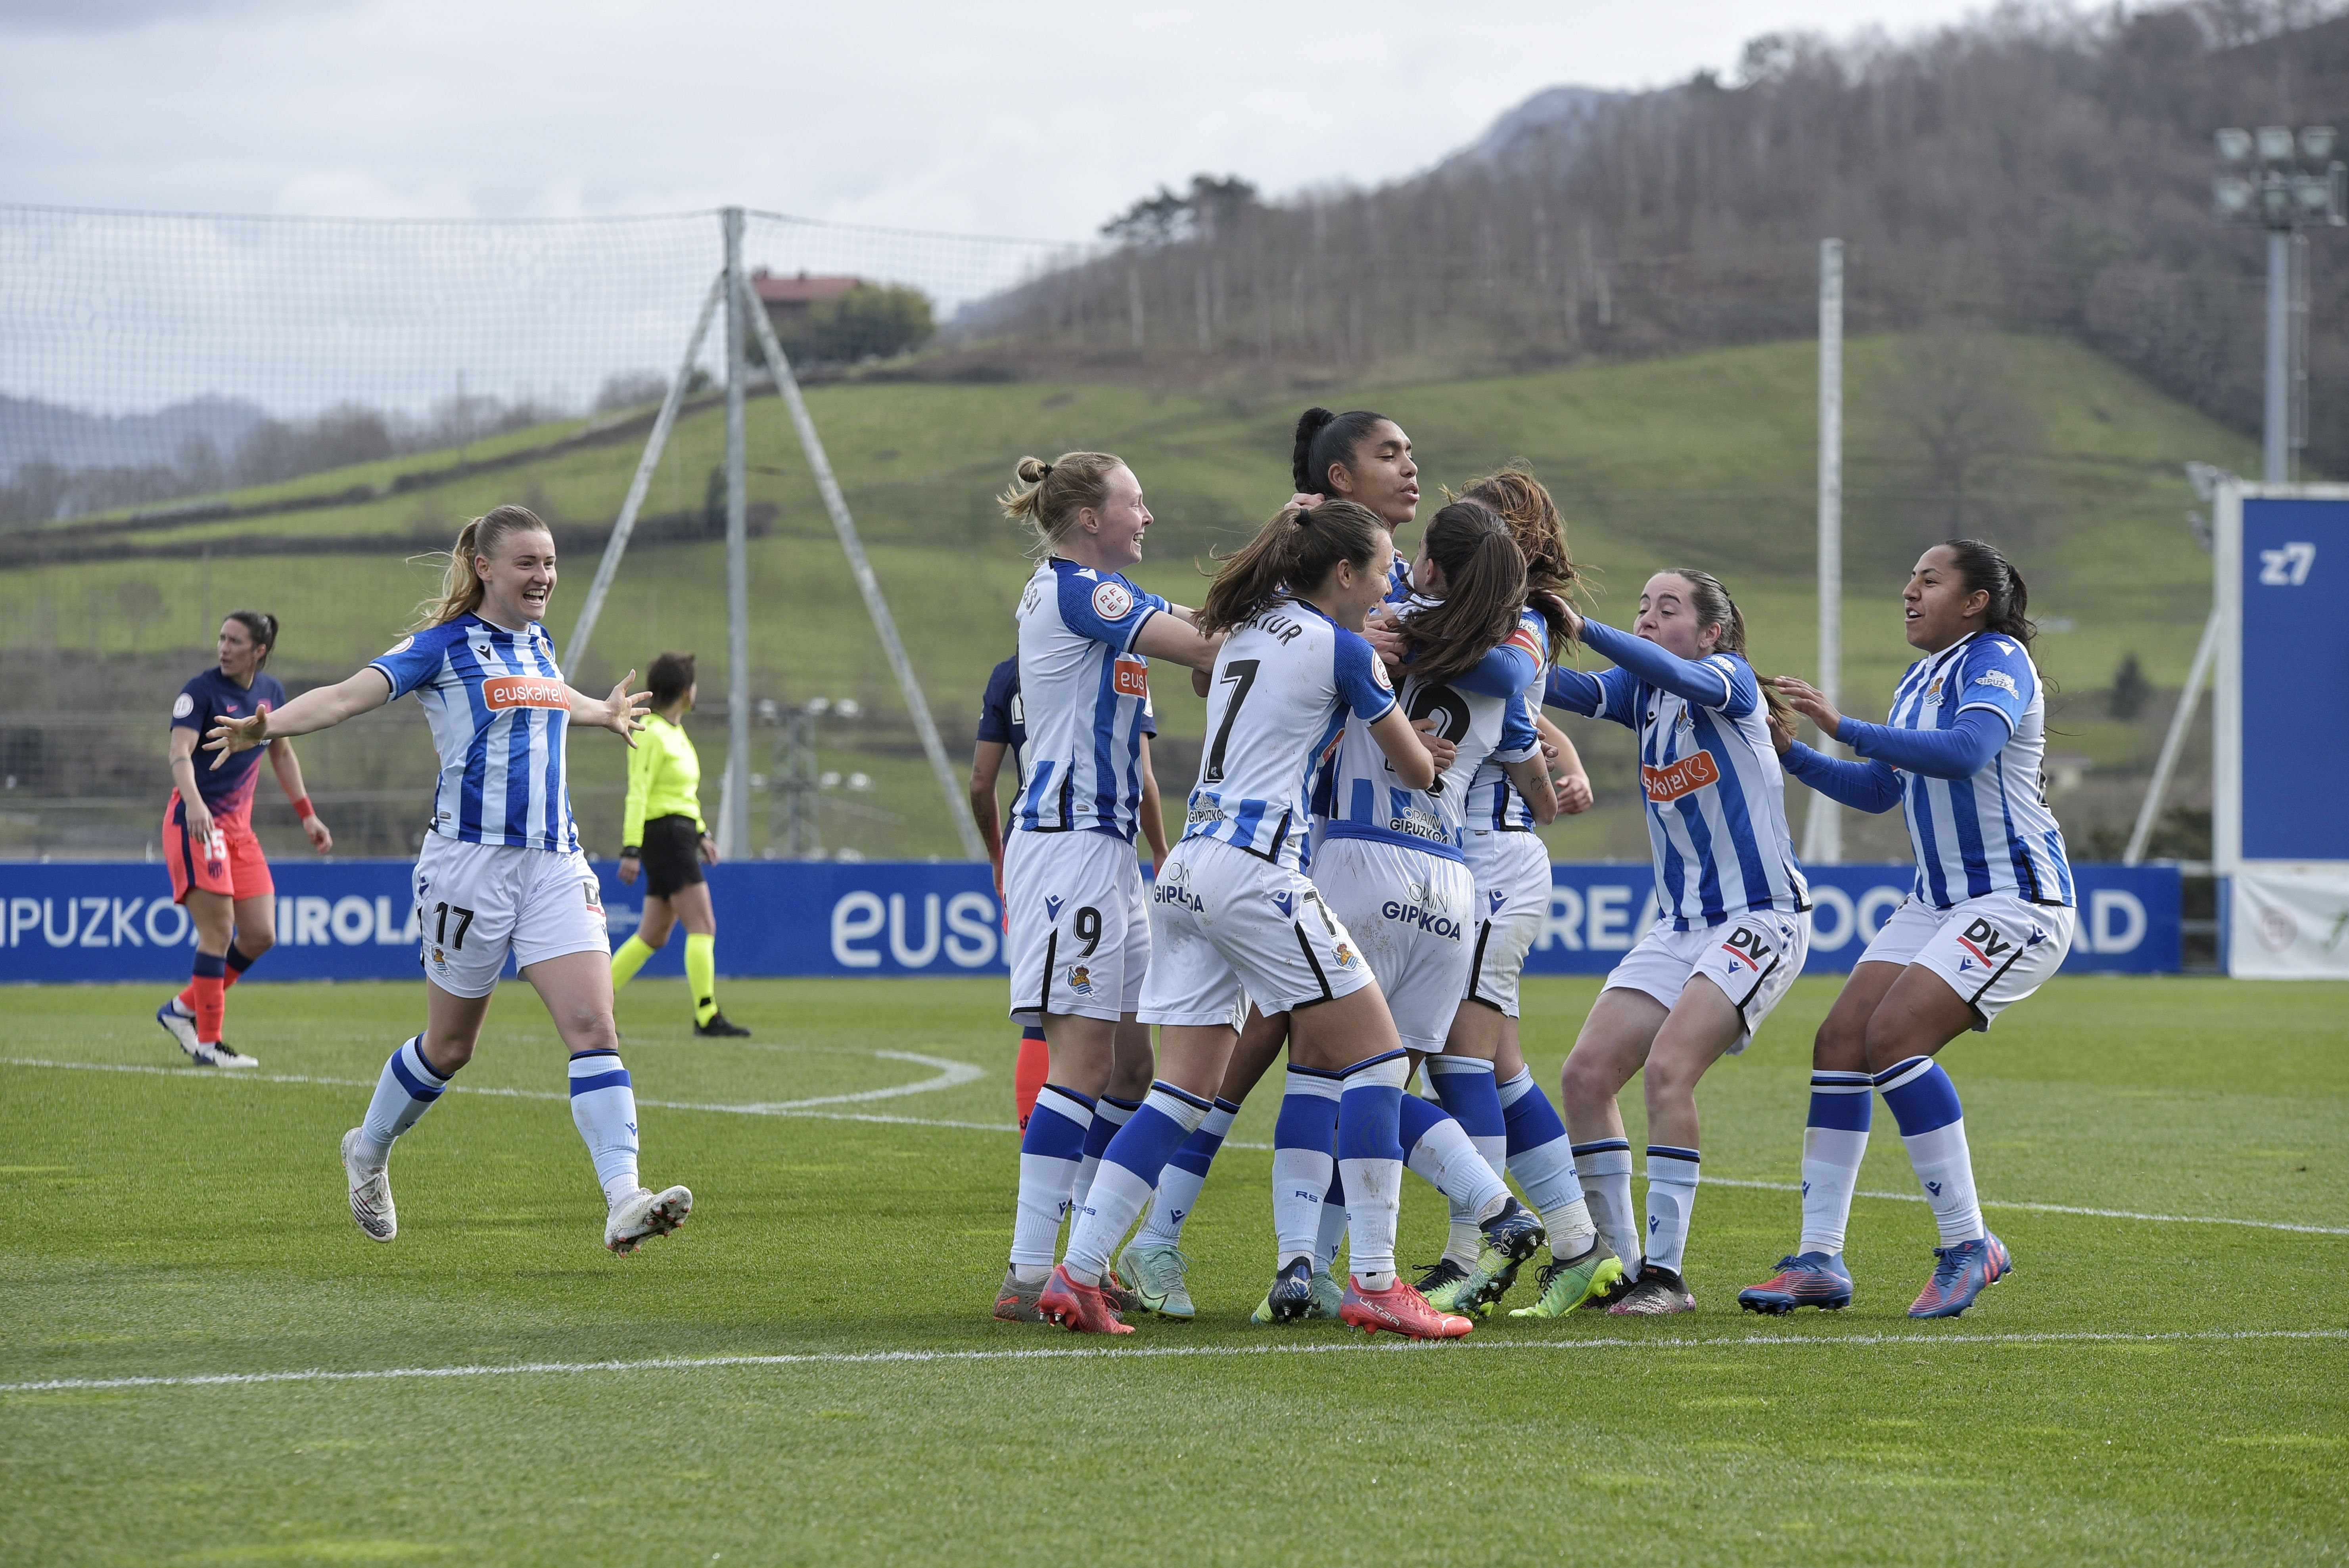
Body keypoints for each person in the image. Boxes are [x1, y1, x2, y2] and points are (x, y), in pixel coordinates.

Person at [1038, 496, 1471, 1341]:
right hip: (1257, 874)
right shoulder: (1348, 651)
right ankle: (1378, 1283)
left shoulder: (1244, 624)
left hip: (1189, 871)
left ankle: (1077, 1272)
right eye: (1382, 571)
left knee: (1180, 1094)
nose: (1388, 588)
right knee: (1381, 1063)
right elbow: (1417, 772)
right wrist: (1427, 747)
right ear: (1343, 574)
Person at [205, 504, 691, 1256]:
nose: (545, 576)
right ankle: (367, 1149)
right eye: (528, 563)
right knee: (452, 1044)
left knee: (594, 1027)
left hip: (556, 862)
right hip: (469, 866)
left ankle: (624, 1196)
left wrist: (595, 709)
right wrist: (264, 727)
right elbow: (341, 697)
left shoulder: (539, 642)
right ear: (487, 567)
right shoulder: (440, 647)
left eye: (552, 562)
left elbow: (547, 693)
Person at [1740, 539, 2070, 1320]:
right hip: (1938, 900)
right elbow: (1881, 790)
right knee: (1841, 1043)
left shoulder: (1997, 660)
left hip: (2013, 900)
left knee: (1893, 1039)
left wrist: (1843, 723)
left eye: (1929, 580)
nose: (1908, 591)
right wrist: (1791, 749)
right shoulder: (1920, 677)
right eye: (1909, 579)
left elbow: (1965, 752)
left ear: (1975, 600)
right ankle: (1818, 1258)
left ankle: (1970, 1244)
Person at [1544, 568, 1812, 1316]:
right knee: (1585, 1074)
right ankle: (1619, 1267)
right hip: (1679, 925)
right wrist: (1499, 635)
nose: (1648, 618)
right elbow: (1559, 690)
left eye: (1667, 608)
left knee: (1667, 1070)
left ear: (1711, 633)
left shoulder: (1724, 679)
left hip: (1759, 916)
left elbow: (1656, 664)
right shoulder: (1644, 693)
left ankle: (1666, 1275)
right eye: (1641, 607)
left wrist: (1585, 625)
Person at [989, 453, 1218, 1326]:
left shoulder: (1101, 597)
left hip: (1108, 852)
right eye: (1135, 502)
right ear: (1089, 517)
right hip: (1069, 850)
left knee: (1131, 1064)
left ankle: (1081, 1258)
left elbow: (1197, 628)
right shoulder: (1080, 590)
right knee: (1083, 1064)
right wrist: (1290, 611)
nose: (1148, 516)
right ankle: (1028, 1274)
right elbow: (1204, 640)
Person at [1432, 466, 1616, 1322]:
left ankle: (1469, 1255)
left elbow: (1507, 686)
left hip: (1493, 859)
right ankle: (1581, 1249)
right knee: (1498, 1066)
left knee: (1459, 1061)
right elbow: (1515, 715)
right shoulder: (1493, 625)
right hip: (1467, 855)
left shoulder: (1528, 624)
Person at [971, 650, 1168, 1135]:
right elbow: (1143, 779)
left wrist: (999, 856)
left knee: (1059, 1013)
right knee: (1079, 1018)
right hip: (1094, 842)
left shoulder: (1010, 671)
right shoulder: (1125, 661)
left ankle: (1059, 1158)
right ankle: (1048, 1164)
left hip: (1031, 844)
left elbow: (981, 784)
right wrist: (1161, 849)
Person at [155, 610, 333, 1068]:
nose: (224, 648)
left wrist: (307, 816)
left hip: (239, 830)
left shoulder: (270, 694)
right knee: (217, 932)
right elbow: (179, 753)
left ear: (260, 651)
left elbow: (283, 751)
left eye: (235, 641)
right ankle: (209, 1044)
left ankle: (182, 1010)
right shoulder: (200, 691)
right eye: (221, 638)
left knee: (260, 934)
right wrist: (194, 803)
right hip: (197, 823)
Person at [608, 651, 747, 1037]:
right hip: (665, 836)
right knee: (703, 923)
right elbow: (639, 791)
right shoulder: (651, 732)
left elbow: (684, 795)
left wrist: (702, 833)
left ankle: (596, 1001)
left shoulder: (677, 734)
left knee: (653, 935)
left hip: (680, 834)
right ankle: (707, 1015)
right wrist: (631, 848)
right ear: (686, 691)